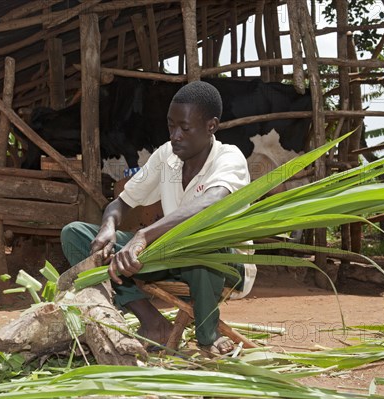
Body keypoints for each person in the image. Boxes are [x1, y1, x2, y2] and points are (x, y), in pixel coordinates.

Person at [61, 81, 250, 354]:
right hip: (167, 253)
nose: (175, 136)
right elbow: (120, 203)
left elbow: (211, 202)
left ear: (211, 126)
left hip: (220, 262)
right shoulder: (167, 156)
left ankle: (208, 335)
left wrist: (144, 235)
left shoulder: (229, 157)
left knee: (203, 242)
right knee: (75, 234)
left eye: (185, 128)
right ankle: (152, 322)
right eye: (171, 126)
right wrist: (108, 226)